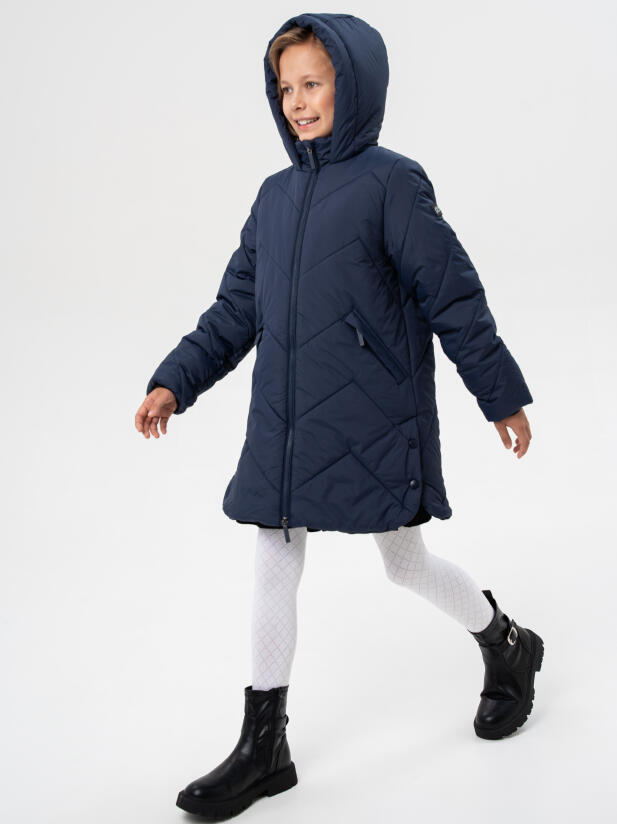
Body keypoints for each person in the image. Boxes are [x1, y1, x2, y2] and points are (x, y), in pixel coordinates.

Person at [135, 12, 544, 821]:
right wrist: (175, 380)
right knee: (273, 558)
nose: (297, 101)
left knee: (405, 565)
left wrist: (500, 393)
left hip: (373, 418)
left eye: (313, 83)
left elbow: (452, 295)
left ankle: (507, 644)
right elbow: (236, 309)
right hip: (285, 424)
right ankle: (265, 747)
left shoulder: (392, 183)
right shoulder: (273, 197)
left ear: (353, 86)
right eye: (285, 87)